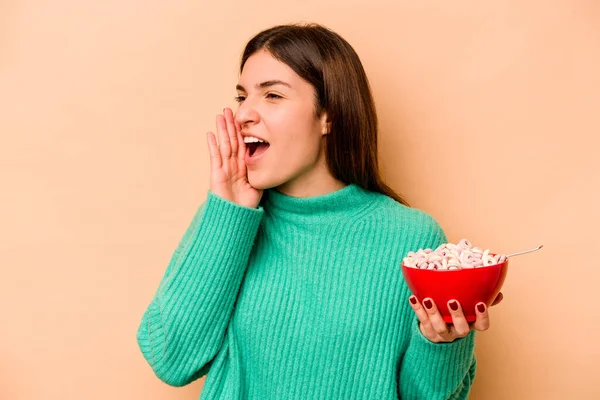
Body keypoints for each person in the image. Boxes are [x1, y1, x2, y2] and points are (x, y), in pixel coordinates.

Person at [136, 23, 502, 399]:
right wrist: (227, 214)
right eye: (242, 96)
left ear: (328, 115)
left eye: (272, 96)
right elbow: (172, 360)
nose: (244, 113)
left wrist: (441, 343)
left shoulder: (412, 238)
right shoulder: (228, 221)